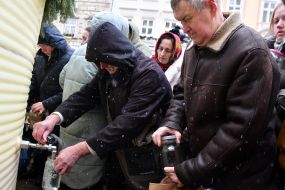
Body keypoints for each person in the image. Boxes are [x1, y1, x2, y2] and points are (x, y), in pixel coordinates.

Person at [151, 0, 280, 190]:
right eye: (180, 21)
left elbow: (240, 131)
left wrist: (192, 171)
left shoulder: (252, 51)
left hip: (241, 178)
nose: (184, 29)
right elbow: (181, 94)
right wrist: (172, 123)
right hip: (208, 172)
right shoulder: (193, 48)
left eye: (187, 19)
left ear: (211, 7)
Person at [32, 21, 172, 190]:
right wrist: (53, 118)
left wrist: (77, 150)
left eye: (104, 61)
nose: (102, 67)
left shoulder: (148, 75)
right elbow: (85, 96)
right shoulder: (111, 66)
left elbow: (127, 124)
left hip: (148, 157)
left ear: (116, 52)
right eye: (98, 62)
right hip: (120, 151)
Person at [57, 11, 133, 190]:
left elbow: (62, 79)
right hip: (92, 132)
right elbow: (96, 96)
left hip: (70, 127)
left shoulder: (80, 51)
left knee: (68, 175)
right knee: (86, 180)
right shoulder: (105, 58)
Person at [21, 23, 74, 184]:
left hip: (58, 112)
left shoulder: (69, 58)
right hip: (42, 111)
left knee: (51, 145)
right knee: (39, 142)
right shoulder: (41, 58)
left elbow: (67, 91)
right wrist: (26, 101)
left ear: (54, 43)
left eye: (45, 45)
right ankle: (35, 174)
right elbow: (35, 82)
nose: (42, 48)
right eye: (40, 45)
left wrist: (46, 103)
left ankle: (46, 179)